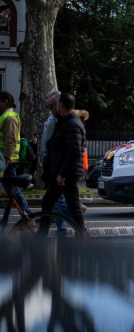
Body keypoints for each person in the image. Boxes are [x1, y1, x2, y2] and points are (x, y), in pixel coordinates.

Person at [40, 93, 87, 236]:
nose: (51, 108)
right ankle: (41, 236)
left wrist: (62, 174)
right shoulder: (66, 122)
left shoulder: (72, 124)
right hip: (61, 172)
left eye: (54, 105)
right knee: (48, 203)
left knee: (72, 206)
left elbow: (73, 153)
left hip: (67, 174)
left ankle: (83, 234)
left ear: (61, 105)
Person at [0, 91, 33, 219]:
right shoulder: (4, 117)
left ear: (5, 101)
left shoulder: (10, 118)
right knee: (11, 189)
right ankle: (27, 215)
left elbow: (10, 142)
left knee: (13, 190)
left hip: (7, 162)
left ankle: (28, 215)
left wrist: (6, 163)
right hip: (4, 161)